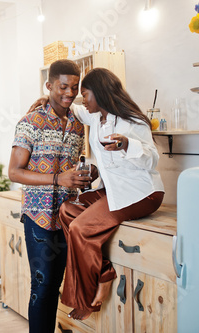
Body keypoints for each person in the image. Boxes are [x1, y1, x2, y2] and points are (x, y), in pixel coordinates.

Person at [30, 67, 165, 321]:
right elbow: (71, 107)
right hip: (112, 190)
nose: (81, 100)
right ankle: (104, 273)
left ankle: (86, 299)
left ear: (100, 94)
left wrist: (126, 144)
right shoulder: (95, 117)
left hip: (140, 194)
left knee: (81, 228)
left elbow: (153, 160)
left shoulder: (132, 122)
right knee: (67, 210)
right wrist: (47, 99)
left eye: (84, 95)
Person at [8, 59, 97, 333]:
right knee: (43, 285)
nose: (69, 93)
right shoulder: (30, 122)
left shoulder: (77, 123)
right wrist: (59, 178)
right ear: (49, 86)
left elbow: (73, 168)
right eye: (62, 87)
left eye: (74, 87)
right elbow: (14, 172)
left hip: (68, 218)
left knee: (57, 284)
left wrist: (85, 176)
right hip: (39, 219)